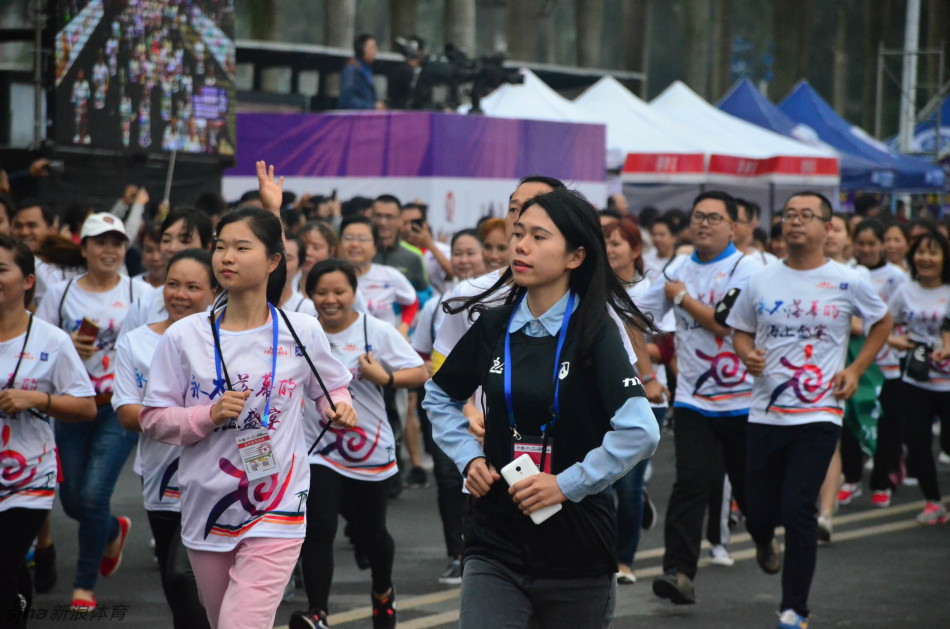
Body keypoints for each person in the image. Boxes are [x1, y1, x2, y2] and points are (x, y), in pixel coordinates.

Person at [423, 187, 660, 628]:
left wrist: (567, 483)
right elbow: (439, 396)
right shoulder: (492, 324)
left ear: (575, 257)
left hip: (577, 546)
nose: (521, 246)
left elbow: (641, 431)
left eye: (538, 236)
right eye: (518, 233)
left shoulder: (597, 332)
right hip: (493, 539)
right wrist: (467, 456)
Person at [139, 207, 356, 629]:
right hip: (207, 502)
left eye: (241, 247)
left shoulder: (301, 330)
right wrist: (207, 415)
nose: (226, 257)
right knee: (224, 618)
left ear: (274, 261)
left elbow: (330, 389)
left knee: (241, 623)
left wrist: (338, 408)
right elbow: (152, 419)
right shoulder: (184, 336)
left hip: (279, 500)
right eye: (220, 247)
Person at [727, 191, 892, 629]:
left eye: (806, 216)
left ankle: (794, 607)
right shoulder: (760, 280)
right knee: (759, 513)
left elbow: (882, 322)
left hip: (819, 412)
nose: (795, 222)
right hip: (765, 411)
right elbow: (739, 330)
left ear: (826, 226)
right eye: (789, 215)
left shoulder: (847, 280)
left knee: (799, 508)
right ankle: (763, 542)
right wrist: (747, 354)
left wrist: (856, 368)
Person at [639, 191, 763, 605]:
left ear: (734, 226)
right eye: (698, 217)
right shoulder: (676, 267)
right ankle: (678, 572)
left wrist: (679, 297)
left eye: (714, 218)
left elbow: (723, 325)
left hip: (744, 400)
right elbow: (638, 316)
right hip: (693, 399)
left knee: (749, 488)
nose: (704, 224)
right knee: (690, 483)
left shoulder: (746, 268)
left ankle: (763, 539)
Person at [291, 259, 428, 629]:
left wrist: (383, 376)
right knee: (318, 528)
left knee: (373, 535)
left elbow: (421, 370)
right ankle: (317, 613)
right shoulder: (300, 330)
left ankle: (383, 590)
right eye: (321, 292)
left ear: (355, 293)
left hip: (369, 450)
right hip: (317, 448)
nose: (330, 299)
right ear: (308, 293)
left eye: (339, 292)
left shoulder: (376, 330)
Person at [35, 213, 152, 612]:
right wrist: (66, 343)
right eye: (100, 242)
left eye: (117, 243)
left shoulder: (139, 292)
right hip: (72, 408)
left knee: (93, 494)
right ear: (83, 248)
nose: (109, 250)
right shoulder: (62, 294)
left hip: (117, 408)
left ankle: (83, 585)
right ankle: (111, 531)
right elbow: (38, 346)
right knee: (70, 499)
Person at [113, 250, 217, 629]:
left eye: (193, 287)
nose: (180, 294)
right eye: (173, 284)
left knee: (185, 576)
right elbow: (127, 413)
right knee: (177, 591)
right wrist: (198, 418)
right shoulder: (135, 343)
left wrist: (168, 418)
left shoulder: (227, 340)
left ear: (213, 291)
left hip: (218, 480)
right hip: (161, 479)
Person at [0, 235, 97, 629]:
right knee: (9, 577)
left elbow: (86, 406)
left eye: (1, 269)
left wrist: (37, 400)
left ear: (26, 281)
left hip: (27, 479)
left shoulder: (51, 341)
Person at [412, 228, 486, 584]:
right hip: (447, 408)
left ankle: (479, 552)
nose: (464, 260)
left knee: (478, 480)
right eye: (458, 253)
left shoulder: (500, 302)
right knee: (446, 479)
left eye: (471, 253)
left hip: (486, 412)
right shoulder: (436, 305)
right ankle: (455, 553)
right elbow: (422, 352)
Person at [603, 217, 669, 584]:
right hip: (602, 396)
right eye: (605, 243)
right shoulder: (590, 288)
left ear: (635, 250)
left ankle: (623, 560)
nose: (610, 249)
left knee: (627, 486)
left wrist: (647, 373)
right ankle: (602, 556)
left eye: (617, 243)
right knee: (603, 480)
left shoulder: (650, 291)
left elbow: (665, 342)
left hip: (646, 395)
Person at [883, 227, 950, 524]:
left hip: (948, 383)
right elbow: (882, 322)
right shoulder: (905, 291)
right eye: (921, 252)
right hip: (915, 380)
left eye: (933, 252)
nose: (925, 258)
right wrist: (893, 340)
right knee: (918, 443)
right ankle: (933, 501)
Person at [850, 220, 908, 509]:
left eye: (872, 244)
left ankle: (883, 481)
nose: (867, 249)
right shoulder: (848, 273)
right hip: (856, 363)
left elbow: (900, 315)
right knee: (852, 423)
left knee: (886, 425)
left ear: (882, 245)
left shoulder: (895, 276)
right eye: (861, 243)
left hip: (887, 365)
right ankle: (851, 477)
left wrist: (894, 339)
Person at [119, 207, 214, 336]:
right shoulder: (144, 305)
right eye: (166, 240)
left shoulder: (224, 309)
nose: (173, 248)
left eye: (184, 240)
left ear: (207, 247)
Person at [340, 216, 418, 337]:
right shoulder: (329, 278)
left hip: (382, 347)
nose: (354, 244)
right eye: (348, 238)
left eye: (362, 239)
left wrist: (403, 329)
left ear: (375, 246)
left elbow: (412, 300)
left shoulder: (390, 276)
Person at [371, 194, 430, 294]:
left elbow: (425, 295)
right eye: (378, 216)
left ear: (400, 220)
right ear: (371, 217)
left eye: (389, 217)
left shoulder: (413, 256)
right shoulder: (361, 253)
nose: (383, 222)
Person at [401, 202, 453, 296]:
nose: (408, 228)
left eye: (414, 222)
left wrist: (430, 245)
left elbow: (453, 274)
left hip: (437, 307)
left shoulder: (442, 249)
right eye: (404, 223)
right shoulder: (394, 252)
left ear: (425, 224)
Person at [340, 34, 382, 110]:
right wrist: (372, 106)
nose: (375, 51)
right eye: (373, 47)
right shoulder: (351, 70)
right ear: (362, 49)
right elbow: (347, 101)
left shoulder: (366, 69)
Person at [278, 236, 317, 316]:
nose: (279, 263)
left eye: (288, 258)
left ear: (300, 265)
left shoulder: (308, 309)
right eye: (275, 257)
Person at [734, 198, 778, 265]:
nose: (732, 225)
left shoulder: (769, 261)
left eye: (738, 221)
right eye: (728, 220)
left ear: (752, 226)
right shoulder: (713, 259)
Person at [643, 215, 677, 280]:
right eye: (654, 234)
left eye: (662, 235)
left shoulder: (680, 261)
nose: (657, 239)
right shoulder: (645, 260)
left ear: (673, 237)